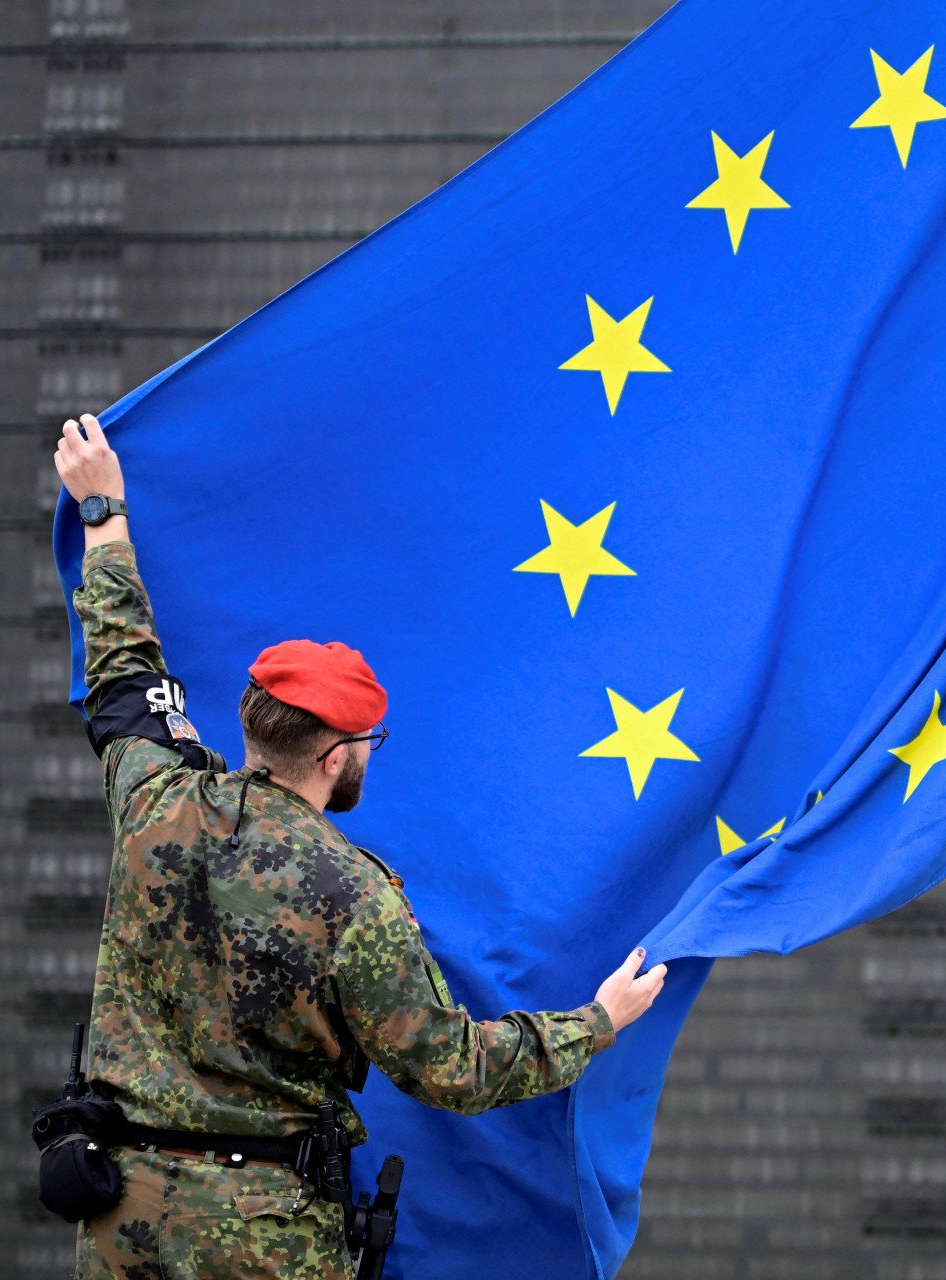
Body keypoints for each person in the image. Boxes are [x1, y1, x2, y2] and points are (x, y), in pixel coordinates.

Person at [51, 412, 668, 1278]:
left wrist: (102, 511)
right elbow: (450, 1068)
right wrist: (594, 1025)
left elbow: (122, 666)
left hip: (123, 1221)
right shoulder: (353, 896)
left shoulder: (153, 800)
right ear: (337, 756)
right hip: (264, 1242)